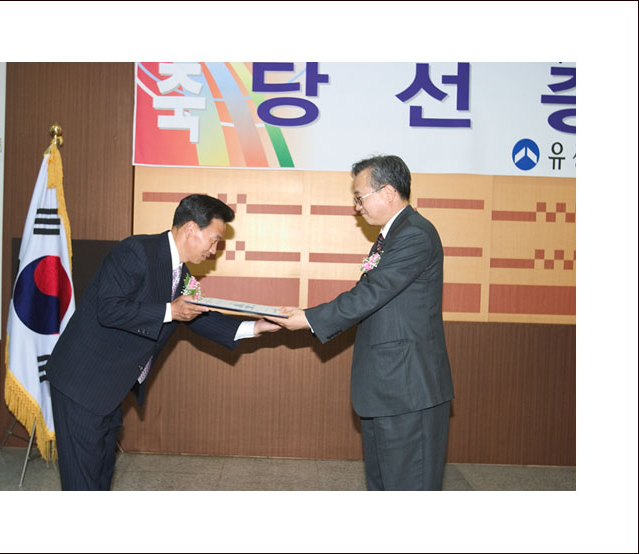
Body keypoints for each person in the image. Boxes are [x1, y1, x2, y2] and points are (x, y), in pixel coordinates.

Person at [46, 194, 280, 490]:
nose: (214, 250)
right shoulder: (136, 251)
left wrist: (254, 327)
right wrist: (171, 310)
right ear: (191, 229)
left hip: (110, 387)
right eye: (214, 240)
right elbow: (109, 309)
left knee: (101, 471)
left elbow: (197, 316)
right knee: (82, 480)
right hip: (81, 382)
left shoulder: (181, 272)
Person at [267, 155, 454, 491]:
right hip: (388, 389)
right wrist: (307, 315)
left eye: (359, 197)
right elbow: (369, 296)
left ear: (388, 192)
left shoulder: (414, 235)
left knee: (409, 488)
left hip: (408, 390)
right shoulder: (392, 236)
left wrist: (308, 318)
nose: (357, 208)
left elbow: (372, 293)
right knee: (383, 485)